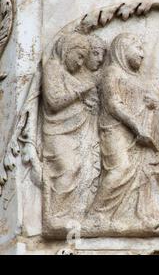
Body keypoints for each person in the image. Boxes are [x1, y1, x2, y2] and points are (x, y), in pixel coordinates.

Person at [90, 33, 159, 220]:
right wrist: (137, 127)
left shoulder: (133, 77)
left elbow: (142, 101)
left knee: (134, 173)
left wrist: (152, 102)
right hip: (115, 130)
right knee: (120, 169)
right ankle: (95, 215)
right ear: (123, 48)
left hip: (133, 134)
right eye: (138, 48)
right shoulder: (112, 72)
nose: (142, 54)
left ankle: (122, 216)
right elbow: (113, 103)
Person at [42, 32, 95, 218]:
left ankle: (64, 215)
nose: (81, 63)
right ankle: (55, 215)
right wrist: (81, 91)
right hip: (56, 131)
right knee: (69, 168)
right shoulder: (52, 67)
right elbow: (54, 101)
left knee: (78, 168)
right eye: (79, 56)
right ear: (67, 50)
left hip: (71, 132)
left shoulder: (65, 74)